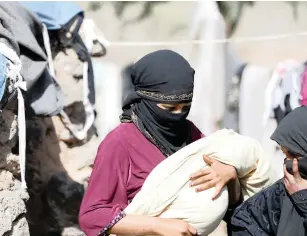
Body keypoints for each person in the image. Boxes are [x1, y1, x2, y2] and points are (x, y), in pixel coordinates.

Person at [79, 50, 241, 236]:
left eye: (185, 107)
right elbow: (91, 215)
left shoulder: (191, 134)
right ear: (145, 100)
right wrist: (157, 226)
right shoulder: (120, 142)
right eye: (169, 108)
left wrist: (230, 175)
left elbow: (232, 203)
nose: (178, 115)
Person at [229, 106, 307, 236]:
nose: (287, 164)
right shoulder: (288, 187)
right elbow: (242, 220)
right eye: (284, 154)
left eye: (293, 155)